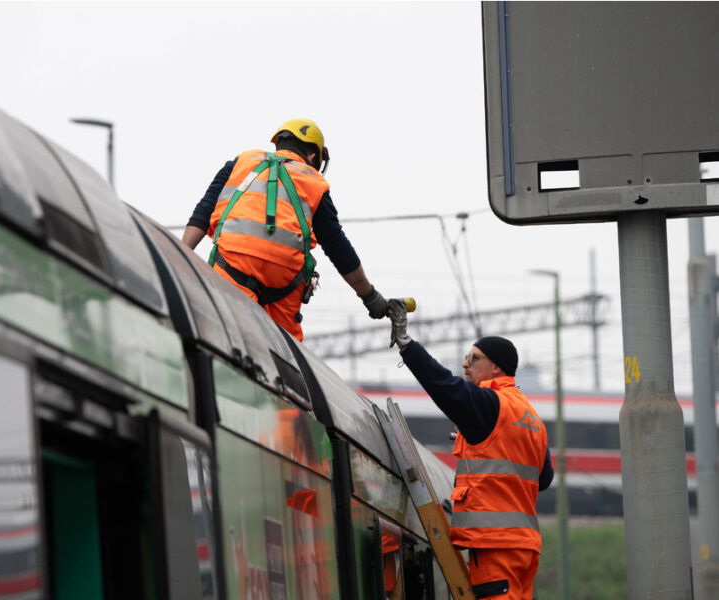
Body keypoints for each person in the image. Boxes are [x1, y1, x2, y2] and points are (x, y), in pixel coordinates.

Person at [386, 299, 554, 600]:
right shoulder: (532, 418)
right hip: (524, 548)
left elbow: (443, 386)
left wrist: (406, 344)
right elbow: (544, 479)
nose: (465, 363)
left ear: (496, 367)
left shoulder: (489, 404)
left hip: (495, 547)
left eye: (473, 358)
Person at [182, 118, 386, 341]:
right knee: (286, 356)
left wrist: (180, 255)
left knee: (223, 336)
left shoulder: (242, 162)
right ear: (312, 157)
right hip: (282, 287)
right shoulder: (314, 182)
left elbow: (203, 213)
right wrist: (370, 296)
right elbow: (339, 249)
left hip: (231, 269)